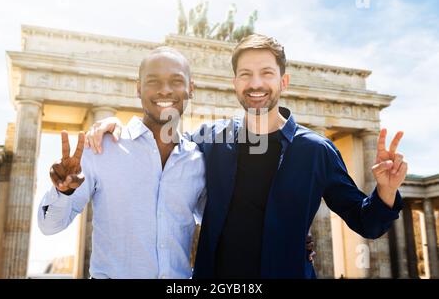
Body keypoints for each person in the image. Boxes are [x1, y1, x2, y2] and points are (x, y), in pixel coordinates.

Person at [85, 34, 407, 279]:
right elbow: (163, 146)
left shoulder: (316, 151)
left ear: (283, 81)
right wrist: (115, 127)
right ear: (235, 83)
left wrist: (386, 190)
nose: (256, 84)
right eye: (245, 75)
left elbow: (368, 222)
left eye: (266, 73)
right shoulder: (209, 139)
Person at [38, 47, 206, 279]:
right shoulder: (100, 147)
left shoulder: (197, 161)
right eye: (153, 81)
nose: (165, 89)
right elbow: (49, 225)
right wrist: (62, 192)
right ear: (138, 88)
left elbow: (222, 226)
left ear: (191, 89)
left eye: (176, 81)